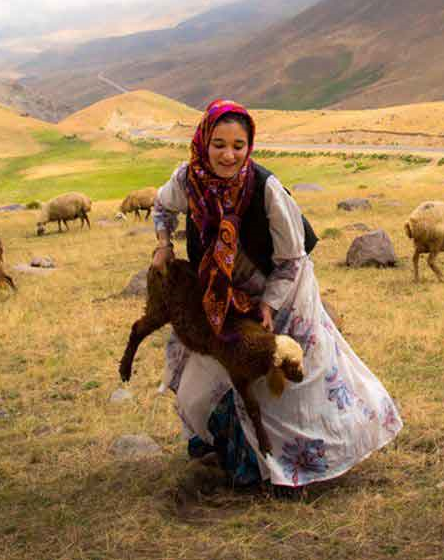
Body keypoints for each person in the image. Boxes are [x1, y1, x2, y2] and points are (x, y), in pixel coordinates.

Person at [150, 98, 402, 491]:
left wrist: (269, 304)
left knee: (283, 387)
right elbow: (162, 208)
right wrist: (163, 244)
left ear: (250, 146)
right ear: (203, 141)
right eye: (219, 144)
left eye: (238, 145)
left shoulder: (265, 189)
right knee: (205, 378)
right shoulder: (188, 181)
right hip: (219, 298)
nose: (228, 155)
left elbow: (291, 259)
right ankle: (228, 447)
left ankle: (280, 467)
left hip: (281, 290)